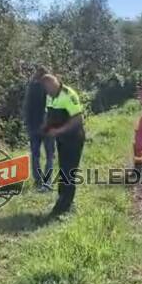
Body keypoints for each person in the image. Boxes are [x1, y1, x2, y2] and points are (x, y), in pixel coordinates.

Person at [39, 74, 86, 216]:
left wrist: (58, 130)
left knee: (69, 171)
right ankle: (62, 199)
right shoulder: (50, 96)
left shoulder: (68, 95)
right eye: (45, 89)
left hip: (74, 138)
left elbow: (78, 119)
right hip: (62, 139)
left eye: (49, 88)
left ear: (55, 84)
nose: (47, 92)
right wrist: (45, 128)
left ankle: (67, 205)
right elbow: (49, 115)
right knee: (63, 170)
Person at [23, 65, 55, 192]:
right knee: (50, 155)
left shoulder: (31, 88)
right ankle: (47, 181)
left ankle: (38, 180)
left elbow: (26, 108)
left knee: (35, 154)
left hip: (33, 126)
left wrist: (27, 124)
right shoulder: (50, 88)